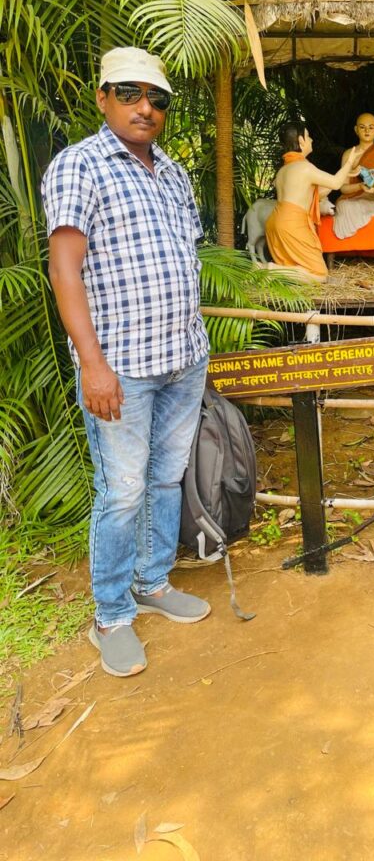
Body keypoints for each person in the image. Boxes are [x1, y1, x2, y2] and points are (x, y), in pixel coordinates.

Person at [42, 46, 211, 679]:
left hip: (182, 357)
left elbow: (181, 257)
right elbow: (65, 269)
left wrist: (194, 341)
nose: (146, 107)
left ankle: (152, 582)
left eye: (158, 98)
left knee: (165, 479)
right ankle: (111, 615)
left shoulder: (172, 172)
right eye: (131, 93)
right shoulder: (79, 166)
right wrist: (92, 363)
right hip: (122, 366)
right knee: (122, 492)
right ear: (103, 97)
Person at [265, 120, 365, 281]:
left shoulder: (284, 170)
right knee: (318, 275)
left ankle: (274, 271)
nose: (311, 140)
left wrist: (346, 173)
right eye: (308, 136)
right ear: (301, 140)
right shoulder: (304, 168)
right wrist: (349, 163)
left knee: (297, 269)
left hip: (277, 221)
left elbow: (317, 194)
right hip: (292, 223)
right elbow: (335, 183)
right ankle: (269, 269)